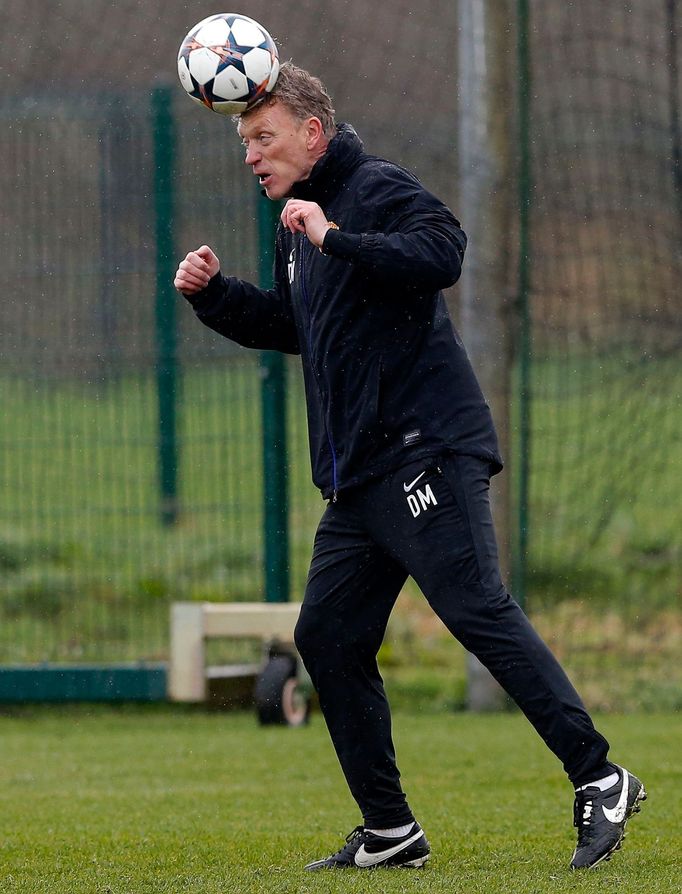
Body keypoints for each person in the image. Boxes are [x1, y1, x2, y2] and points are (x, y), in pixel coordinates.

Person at [174, 62, 646, 872]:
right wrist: (216, 296)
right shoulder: (297, 227)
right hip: (361, 479)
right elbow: (299, 328)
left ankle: (599, 776)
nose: (251, 155)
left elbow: (441, 251)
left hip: (425, 446)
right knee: (327, 634)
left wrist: (335, 235)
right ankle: (391, 830)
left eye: (263, 137)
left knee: (475, 610)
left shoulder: (372, 188)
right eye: (245, 142)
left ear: (312, 134)